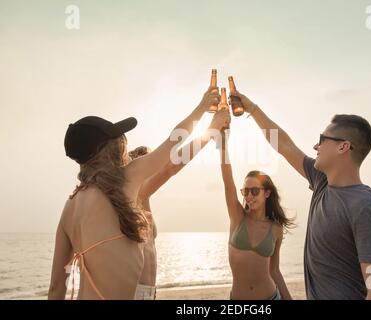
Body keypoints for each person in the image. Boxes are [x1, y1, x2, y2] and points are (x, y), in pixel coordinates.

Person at [48, 87, 229, 300]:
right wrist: (203, 109)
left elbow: (56, 288)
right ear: (109, 148)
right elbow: (173, 142)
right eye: (119, 138)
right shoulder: (126, 180)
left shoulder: (69, 206)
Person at [229, 89, 371, 300]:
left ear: (343, 146)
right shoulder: (321, 182)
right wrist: (252, 109)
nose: (316, 145)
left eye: (322, 139)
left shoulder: (366, 207)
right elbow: (284, 145)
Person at [129, 131, 217, 299]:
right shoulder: (137, 193)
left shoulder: (143, 199)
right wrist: (209, 134)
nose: (158, 170)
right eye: (153, 166)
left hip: (148, 292)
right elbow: (171, 168)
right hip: (137, 292)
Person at [218, 129, 294, 300]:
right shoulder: (238, 217)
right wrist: (222, 145)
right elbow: (228, 181)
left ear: (266, 193)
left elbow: (274, 270)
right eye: (245, 191)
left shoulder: (276, 229)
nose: (248, 196)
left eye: (254, 191)